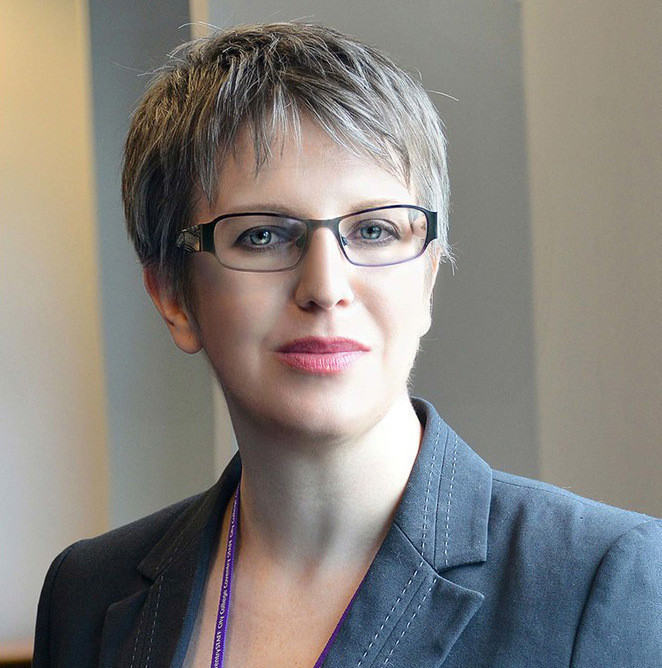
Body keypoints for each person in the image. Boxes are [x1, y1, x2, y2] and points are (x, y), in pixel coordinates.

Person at [33, 23, 661, 668]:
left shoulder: (598, 579)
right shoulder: (86, 594)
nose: (326, 287)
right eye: (263, 236)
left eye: (375, 230)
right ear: (171, 294)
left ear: (427, 276)